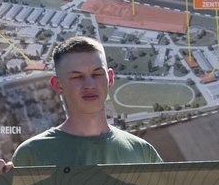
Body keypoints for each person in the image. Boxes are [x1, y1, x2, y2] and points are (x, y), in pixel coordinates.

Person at [12, 35, 161, 167]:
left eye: (97, 74)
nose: (89, 85)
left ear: (110, 78)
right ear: (58, 85)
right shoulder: (32, 155)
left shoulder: (142, 153)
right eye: (77, 77)